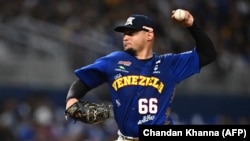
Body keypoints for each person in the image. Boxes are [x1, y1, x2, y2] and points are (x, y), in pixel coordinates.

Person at [65, 9, 217, 141]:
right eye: (124, 33)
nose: (125, 37)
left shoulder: (169, 64)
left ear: (149, 35)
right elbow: (83, 82)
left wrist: (191, 24)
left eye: (132, 33)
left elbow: (207, 54)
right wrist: (71, 99)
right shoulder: (114, 61)